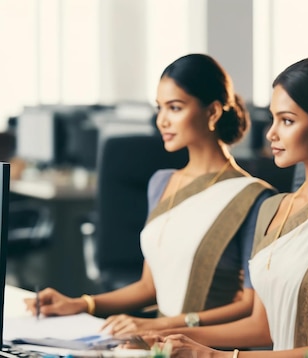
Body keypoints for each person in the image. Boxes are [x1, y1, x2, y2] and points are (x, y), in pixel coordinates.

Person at [142, 37, 308, 357]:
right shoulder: (272, 208)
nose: (271, 133)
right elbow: (261, 326)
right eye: (273, 118)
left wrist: (220, 356)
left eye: (287, 120)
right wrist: (164, 332)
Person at [24, 53, 276, 335]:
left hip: (204, 346)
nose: (162, 121)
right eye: (160, 108)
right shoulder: (161, 182)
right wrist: (81, 303)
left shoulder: (255, 198)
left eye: (175, 108)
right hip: (155, 343)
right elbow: (149, 287)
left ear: (213, 112)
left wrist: (162, 325)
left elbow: (249, 305)